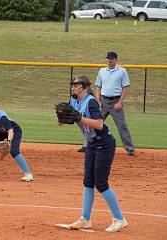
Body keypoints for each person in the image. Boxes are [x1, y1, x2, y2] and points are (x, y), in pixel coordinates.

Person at [56, 76, 128, 232]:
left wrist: (79, 118)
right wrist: (61, 116)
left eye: (76, 85)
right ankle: (85, 219)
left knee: (101, 183)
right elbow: (61, 123)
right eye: (72, 85)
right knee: (88, 181)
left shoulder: (91, 102)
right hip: (91, 144)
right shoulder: (73, 101)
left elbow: (99, 124)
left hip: (104, 143)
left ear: (85, 87)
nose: (73, 88)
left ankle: (119, 219)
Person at [95, 51, 135, 156]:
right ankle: (88, 144)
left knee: (122, 125)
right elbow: (98, 86)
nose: (109, 60)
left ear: (116, 60)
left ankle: (129, 148)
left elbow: (125, 87)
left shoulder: (122, 71)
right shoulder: (102, 71)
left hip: (115, 102)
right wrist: (98, 100)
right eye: (108, 58)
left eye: (111, 59)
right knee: (95, 123)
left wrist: (120, 102)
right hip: (103, 102)